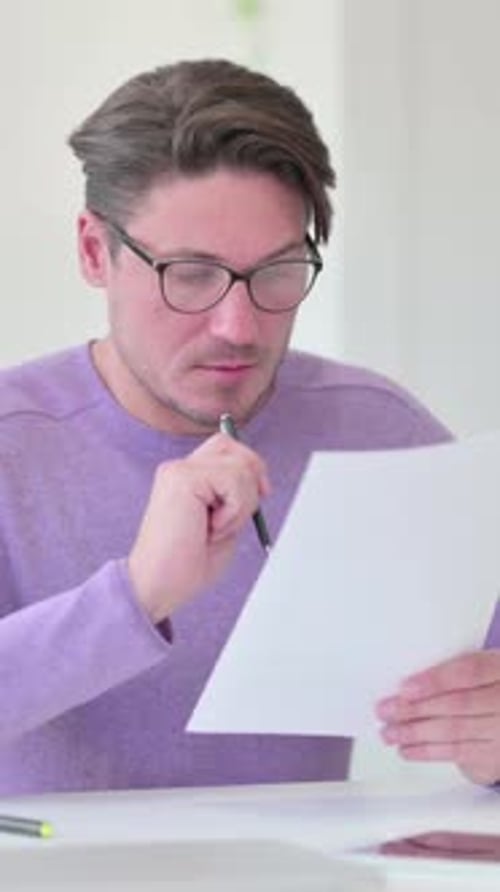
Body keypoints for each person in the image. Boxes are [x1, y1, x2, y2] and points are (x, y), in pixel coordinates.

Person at [0, 58, 498, 796]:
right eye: (191, 273)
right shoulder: (16, 446)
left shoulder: (378, 432)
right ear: (94, 252)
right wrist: (137, 596)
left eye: (278, 270)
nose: (239, 326)